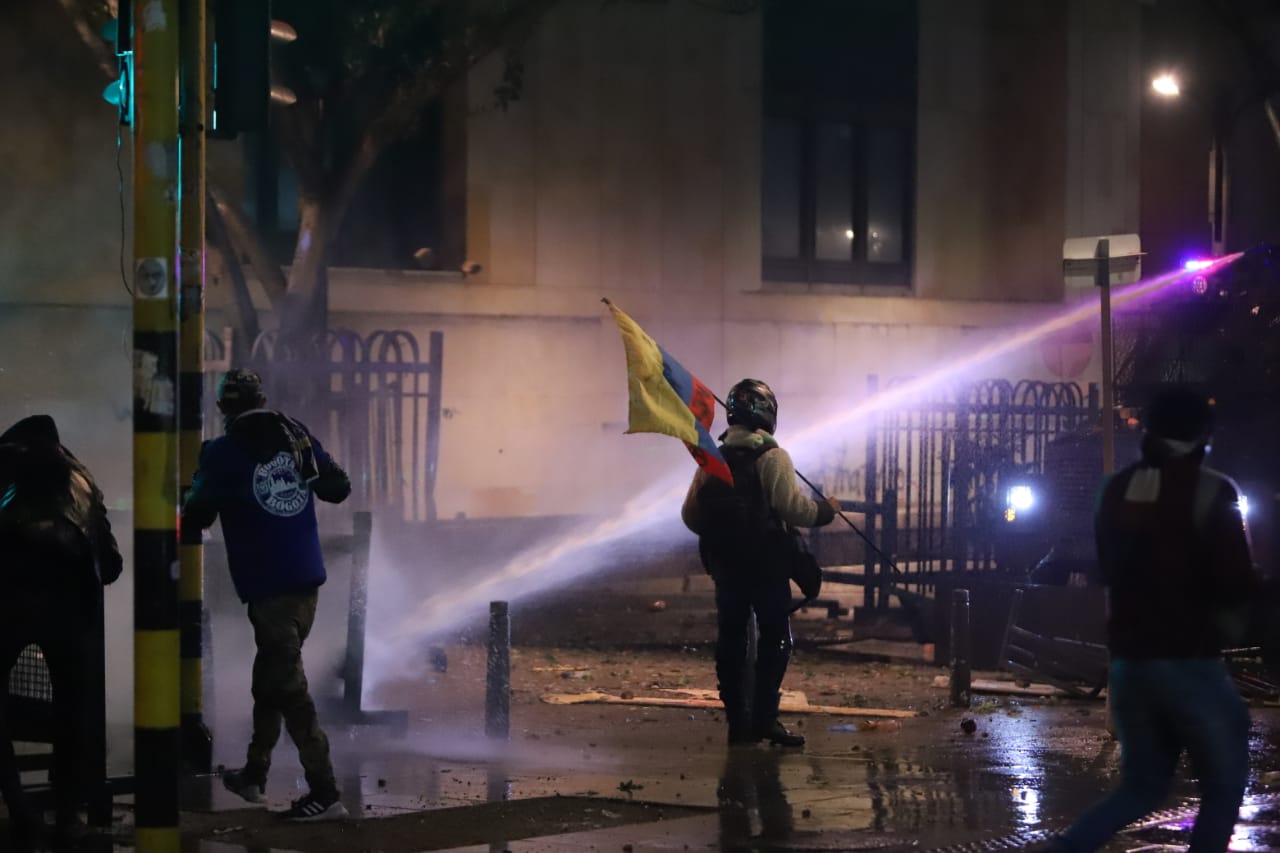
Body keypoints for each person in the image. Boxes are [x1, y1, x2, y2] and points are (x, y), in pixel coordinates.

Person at [1047, 385, 1258, 853]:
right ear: (1203, 435)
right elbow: (1235, 580)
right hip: (1190, 661)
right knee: (1224, 784)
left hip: (1129, 663)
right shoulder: (1214, 490)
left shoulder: (1114, 488)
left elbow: (1108, 565)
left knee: (1141, 787)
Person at [182, 369, 352, 822]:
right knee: (270, 682)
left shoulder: (221, 452)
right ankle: (254, 775)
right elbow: (338, 488)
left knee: (290, 692)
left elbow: (196, 516)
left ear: (224, 409)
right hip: (305, 583)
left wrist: (190, 490)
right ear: (261, 398)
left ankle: (325, 792)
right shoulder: (295, 435)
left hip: (268, 586)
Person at [681, 378, 838, 747]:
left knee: (731, 640)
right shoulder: (774, 457)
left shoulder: (712, 458)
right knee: (775, 639)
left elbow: (691, 515)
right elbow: (793, 509)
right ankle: (765, 719)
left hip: (726, 567)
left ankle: (737, 722)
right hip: (767, 565)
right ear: (768, 415)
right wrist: (827, 511)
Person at [0, 415, 123, 845]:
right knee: (74, 709)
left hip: (8, 600)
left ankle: (18, 807)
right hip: (72, 605)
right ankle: (69, 814)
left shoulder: (3, 464)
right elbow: (110, 563)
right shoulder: (81, 477)